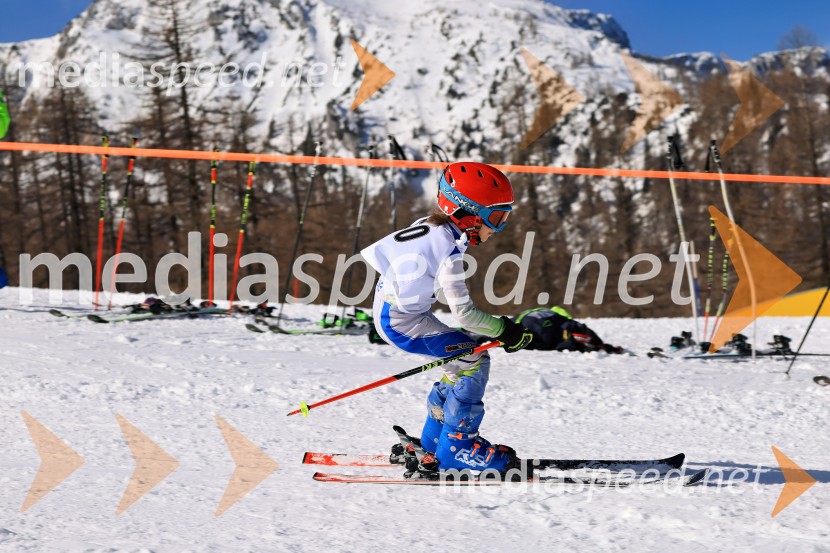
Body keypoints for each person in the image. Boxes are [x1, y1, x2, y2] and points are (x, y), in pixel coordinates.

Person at [361, 162, 533, 475]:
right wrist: (505, 330)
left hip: (395, 315)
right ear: (467, 213)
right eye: (496, 217)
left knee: (461, 359)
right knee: (476, 359)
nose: (497, 227)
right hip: (402, 324)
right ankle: (458, 449)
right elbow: (465, 314)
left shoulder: (434, 228)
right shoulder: (448, 253)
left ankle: (432, 442)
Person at [514, 306, 624, 354]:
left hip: (525, 326)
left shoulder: (541, 311)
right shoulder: (560, 317)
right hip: (545, 331)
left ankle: (596, 346)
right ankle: (599, 347)